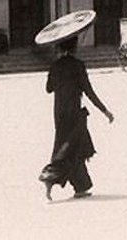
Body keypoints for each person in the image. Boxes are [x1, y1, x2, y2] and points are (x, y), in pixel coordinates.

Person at [38, 36, 114, 201]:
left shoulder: (55, 66)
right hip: (74, 113)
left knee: (68, 146)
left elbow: (48, 89)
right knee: (73, 148)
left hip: (59, 113)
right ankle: (50, 176)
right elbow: (89, 91)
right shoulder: (78, 65)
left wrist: (54, 71)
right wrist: (105, 110)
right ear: (74, 47)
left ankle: (80, 186)